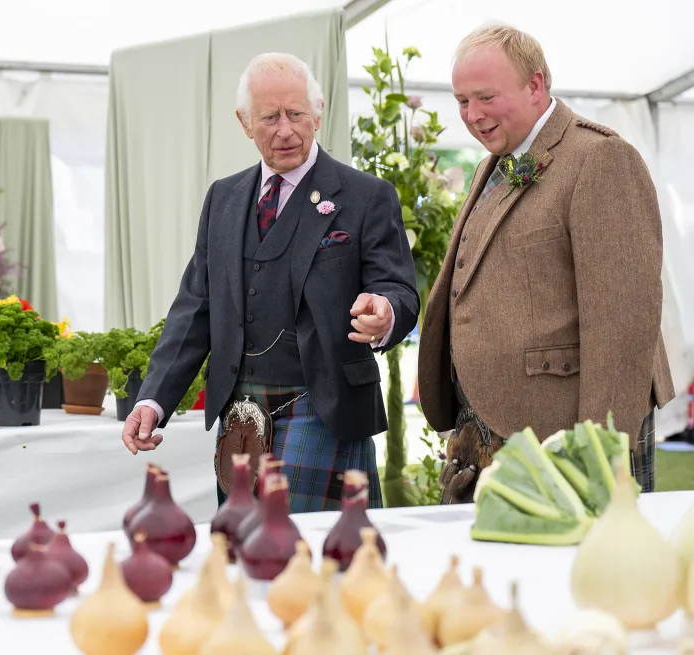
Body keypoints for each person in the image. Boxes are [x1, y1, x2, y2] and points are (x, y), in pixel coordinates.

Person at [119, 52, 420, 512]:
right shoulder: (223, 198)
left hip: (325, 410)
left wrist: (386, 311)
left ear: (318, 113)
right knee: (240, 540)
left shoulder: (365, 196)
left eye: (296, 114)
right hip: (240, 416)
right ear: (244, 122)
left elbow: (398, 288)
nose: (285, 130)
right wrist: (153, 400)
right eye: (270, 117)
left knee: (313, 546)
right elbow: (195, 306)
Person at [418, 24, 675, 503]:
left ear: (535, 85)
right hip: (491, 429)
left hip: (567, 434)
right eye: (462, 101)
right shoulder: (491, 164)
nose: (472, 115)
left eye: (485, 97)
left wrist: (596, 454)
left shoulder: (600, 157)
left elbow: (622, 323)